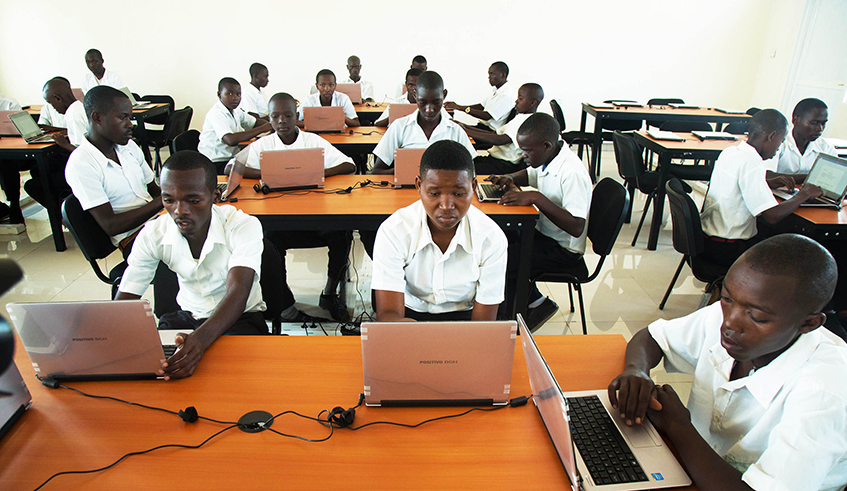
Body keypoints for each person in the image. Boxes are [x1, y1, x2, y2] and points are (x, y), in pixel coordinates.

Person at [607, 234, 847, 491]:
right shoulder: (737, 310)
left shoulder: (825, 392)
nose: (729, 323)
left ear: (809, 324)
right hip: (692, 465)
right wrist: (637, 370)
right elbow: (652, 337)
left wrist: (678, 425)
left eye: (756, 317)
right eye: (726, 298)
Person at [117, 151, 268, 380]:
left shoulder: (242, 225)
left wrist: (200, 341)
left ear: (216, 195)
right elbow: (127, 297)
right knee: (164, 378)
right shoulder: (153, 234)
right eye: (169, 200)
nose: (179, 211)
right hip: (186, 318)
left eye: (193, 200)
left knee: (234, 382)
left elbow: (238, 290)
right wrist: (106, 339)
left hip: (240, 319)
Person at [228, 92, 354, 323]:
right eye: (275, 116)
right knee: (266, 243)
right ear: (270, 119)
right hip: (280, 223)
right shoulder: (263, 145)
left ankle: (329, 293)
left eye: (287, 115)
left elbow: (349, 164)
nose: (282, 121)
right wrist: (268, 175)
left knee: (342, 233)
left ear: (297, 116)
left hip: (316, 219)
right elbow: (231, 169)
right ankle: (284, 305)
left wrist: (316, 173)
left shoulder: (313, 142)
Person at [372, 140, 507, 322]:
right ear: (419, 186)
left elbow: (483, 324)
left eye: (458, 194)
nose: (446, 206)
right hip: (409, 312)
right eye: (434, 193)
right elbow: (388, 315)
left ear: (473, 188)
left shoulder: (491, 238)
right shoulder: (394, 231)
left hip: (465, 316)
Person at [487, 113, 592, 331]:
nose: (522, 154)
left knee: (503, 261)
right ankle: (524, 302)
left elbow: (576, 226)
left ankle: (527, 310)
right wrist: (511, 178)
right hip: (544, 235)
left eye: (527, 151)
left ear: (546, 145)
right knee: (496, 246)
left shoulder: (571, 172)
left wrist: (536, 197)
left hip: (563, 250)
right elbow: (531, 174)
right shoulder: (549, 157)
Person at [700, 109, 822, 268]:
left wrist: (767, 180)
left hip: (707, 241)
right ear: (771, 136)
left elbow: (738, 182)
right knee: (792, 249)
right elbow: (772, 216)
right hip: (729, 249)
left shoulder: (730, 151)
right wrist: (803, 194)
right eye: (781, 140)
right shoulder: (752, 162)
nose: (779, 147)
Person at [64, 86, 163, 251]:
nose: (130, 124)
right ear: (97, 117)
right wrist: (167, 199)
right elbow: (111, 225)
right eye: (123, 117)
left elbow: (154, 190)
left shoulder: (129, 147)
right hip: (133, 239)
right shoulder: (81, 164)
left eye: (130, 118)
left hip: (156, 222)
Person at [371, 70, 476, 175]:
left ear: (444, 95)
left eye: (436, 102)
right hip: (406, 189)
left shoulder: (455, 131)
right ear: (415, 94)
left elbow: (471, 171)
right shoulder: (399, 127)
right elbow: (377, 171)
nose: (429, 109)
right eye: (423, 102)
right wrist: (402, 171)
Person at [21, 77, 88, 211]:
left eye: (51, 104)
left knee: (34, 184)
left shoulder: (73, 115)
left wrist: (64, 144)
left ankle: (65, 215)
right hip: (80, 164)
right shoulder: (78, 107)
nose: (53, 108)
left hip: (84, 171)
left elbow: (85, 154)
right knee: (40, 169)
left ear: (58, 98)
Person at [460, 83, 544, 175]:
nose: (516, 101)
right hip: (493, 160)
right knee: (460, 164)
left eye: (520, 98)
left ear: (532, 103)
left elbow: (500, 139)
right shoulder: (520, 117)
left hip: (501, 166)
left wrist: (466, 131)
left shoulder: (526, 121)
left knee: (461, 171)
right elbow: (494, 134)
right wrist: (464, 127)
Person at [198, 77, 271, 174]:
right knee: (259, 171)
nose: (235, 98)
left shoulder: (236, 110)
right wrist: (262, 129)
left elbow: (254, 122)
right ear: (219, 94)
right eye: (230, 93)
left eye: (238, 94)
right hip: (215, 163)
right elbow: (230, 140)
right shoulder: (217, 114)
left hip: (231, 158)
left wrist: (270, 125)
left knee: (261, 162)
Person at [766, 98, 836, 182]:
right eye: (814, 123)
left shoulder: (826, 147)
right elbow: (767, 175)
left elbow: (836, 177)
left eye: (823, 123)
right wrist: (813, 177)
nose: (819, 128)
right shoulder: (778, 142)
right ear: (795, 120)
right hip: (778, 193)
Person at [444, 62, 515, 131]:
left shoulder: (506, 96)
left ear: (503, 75)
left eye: (492, 74)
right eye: (489, 74)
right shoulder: (497, 90)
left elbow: (487, 116)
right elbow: (481, 106)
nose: (489, 77)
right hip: (481, 127)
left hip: (488, 132)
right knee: (454, 126)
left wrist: (461, 108)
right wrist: (457, 107)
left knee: (456, 130)